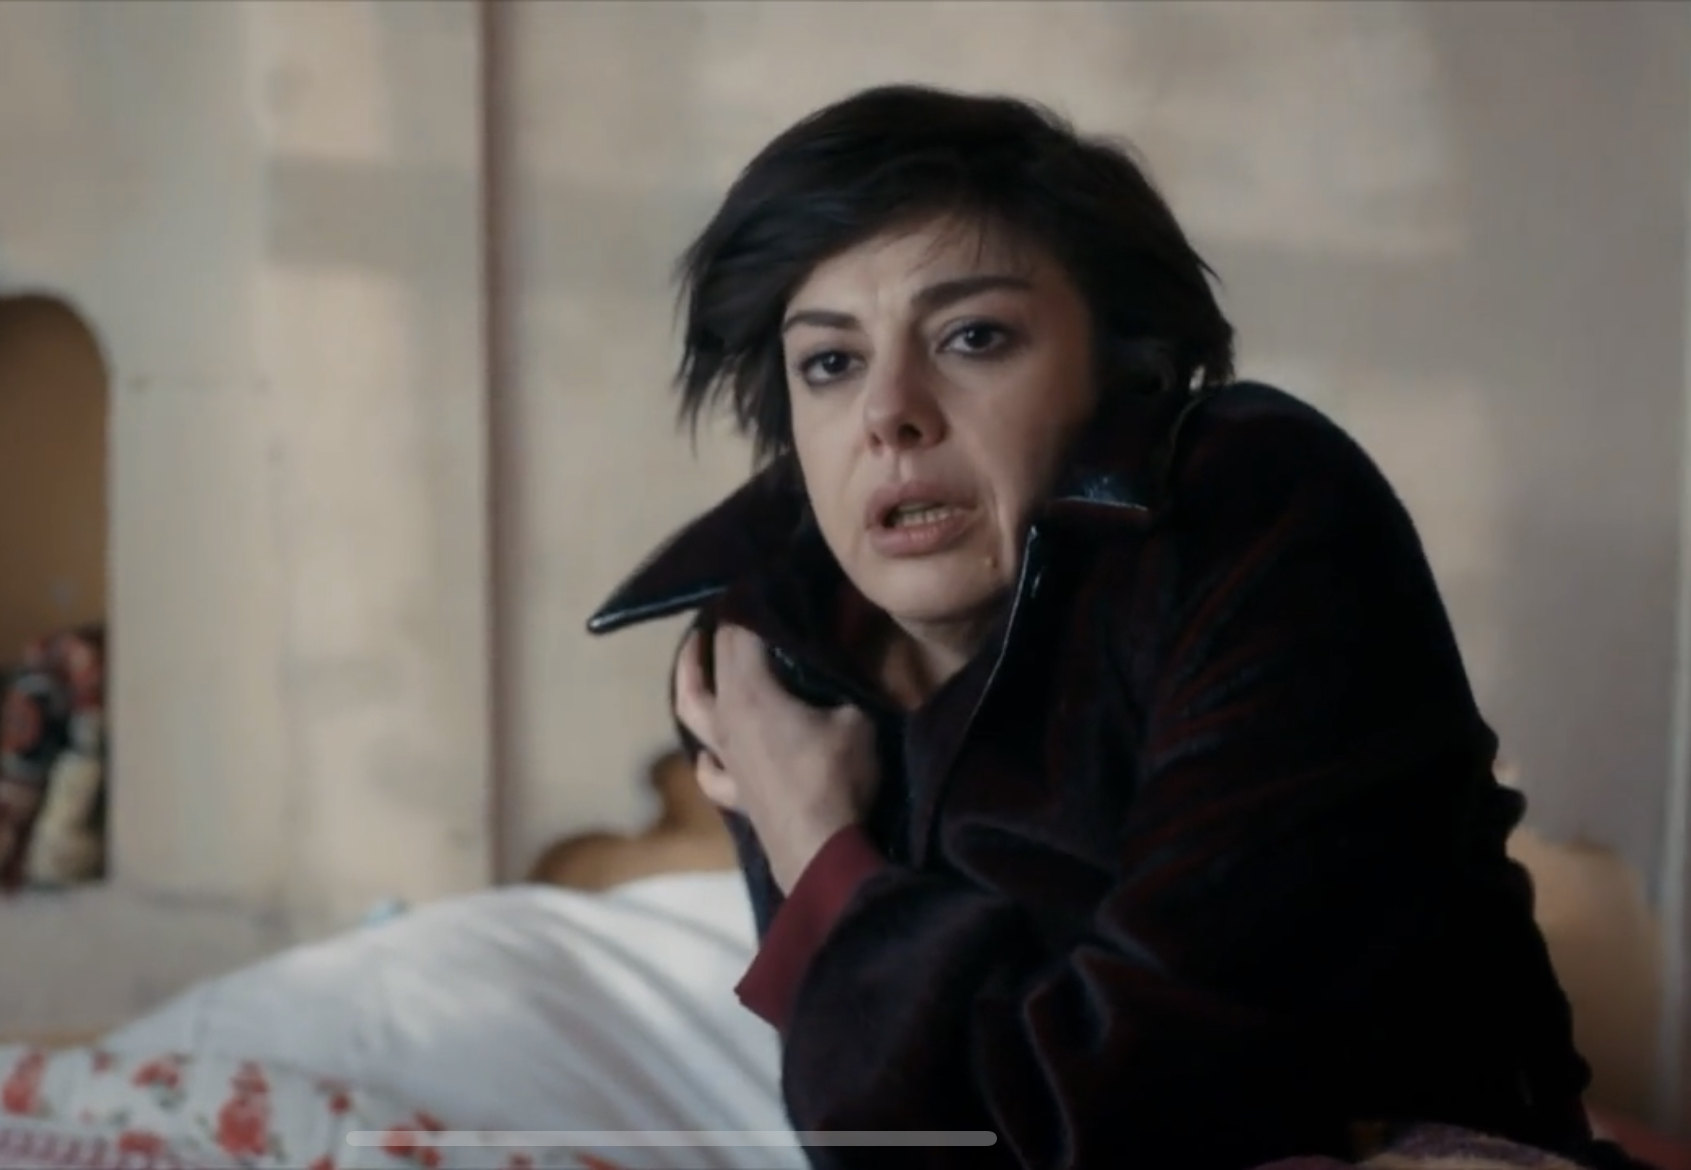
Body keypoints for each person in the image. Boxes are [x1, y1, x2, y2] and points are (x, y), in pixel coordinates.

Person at [587, 85, 1643, 1170]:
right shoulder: (773, 658)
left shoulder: (1256, 512)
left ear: (1122, 371)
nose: (889, 411)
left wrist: (816, 838)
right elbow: (886, 1140)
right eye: (830, 362)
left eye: (973, 336)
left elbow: (1146, 1109)